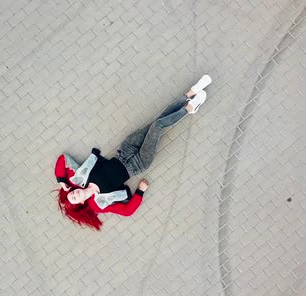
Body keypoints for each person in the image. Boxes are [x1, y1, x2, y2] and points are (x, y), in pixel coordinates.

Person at [55, 75, 212, 230]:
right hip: (137, 164)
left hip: (125, 150)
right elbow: (126, 211)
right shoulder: (99, 204)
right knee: (157, 126)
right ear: (80, 204)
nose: (73, 194)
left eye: (72, 193)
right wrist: (140, 192)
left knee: (156, 122)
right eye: (74, 199)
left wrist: (62, 180)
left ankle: (190, 94)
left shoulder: (80, 178)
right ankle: (189, 108)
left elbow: (63, 159)